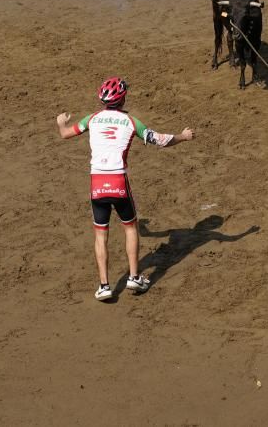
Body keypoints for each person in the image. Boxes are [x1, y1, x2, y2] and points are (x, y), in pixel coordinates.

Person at [55, 77, 195, 302]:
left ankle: (104, 286)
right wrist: (183, 137)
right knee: (130, 228)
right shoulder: (131, 122)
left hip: (97, 184)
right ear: (123, 99)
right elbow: (159, 140)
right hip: (119, 182)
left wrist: (61, 122)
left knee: (101, 234)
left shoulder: (91, 119)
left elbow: (65, 133)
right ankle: (134, 277)